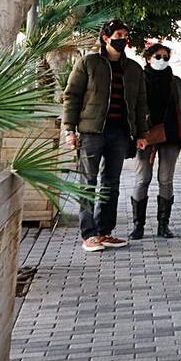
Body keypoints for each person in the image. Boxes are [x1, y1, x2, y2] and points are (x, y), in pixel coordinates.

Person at [63, 19, 149, 252]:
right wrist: (69, 129)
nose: (123, 39)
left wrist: (141, 134)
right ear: (106, 37)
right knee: (88, 183)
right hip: (92, 132)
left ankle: (104, 232)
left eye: (125, 34)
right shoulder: (88, 63)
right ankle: (88, 234)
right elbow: (72, 96)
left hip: (120, 134)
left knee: (111, 184)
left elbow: (141, 104)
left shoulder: (133, 69)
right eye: (118, 34)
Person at [130, 43, 181, 239]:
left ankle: (163, 225)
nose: (162, 60)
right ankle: (138, 225)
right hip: (145, 137)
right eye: (158, 56)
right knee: (142, 178)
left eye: (165, 57)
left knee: (166, 179)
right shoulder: (138, 81)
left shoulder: (176, 83)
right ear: (148, 58)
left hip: (171, 136)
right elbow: (131, 109)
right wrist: (134, 134)